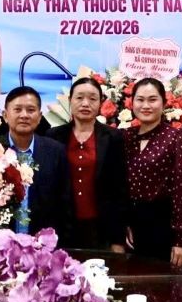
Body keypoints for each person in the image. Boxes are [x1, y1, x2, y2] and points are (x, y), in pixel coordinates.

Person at [47, 77, 128, 250]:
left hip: (100, 230)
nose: (85, 103)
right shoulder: (53, 136)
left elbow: (119, 191)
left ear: (100, 103)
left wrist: (117, 239)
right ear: (70, 101)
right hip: (62, 228)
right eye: (79, 97)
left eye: (92, 98)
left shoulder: (114, 138)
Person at [123, 78, 182, 268]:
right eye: (140, 100)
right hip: (132, 228)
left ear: (164, 103)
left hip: (163, 227)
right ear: (132, 103)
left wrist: (181, 241)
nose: (145, 105)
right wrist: (124, 224)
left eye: (152, 99)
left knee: (162, 289)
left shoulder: (176, 137)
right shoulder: (127, 137)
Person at [0, 86, 69, 236]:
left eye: (31, 110)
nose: (24, 115)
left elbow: (65, 203)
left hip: (43, 246)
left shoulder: (56, 152)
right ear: (5, 115)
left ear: (39, 117)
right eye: (17, 110)